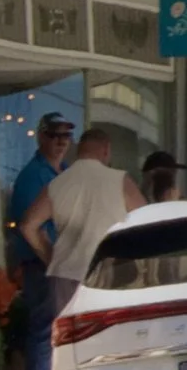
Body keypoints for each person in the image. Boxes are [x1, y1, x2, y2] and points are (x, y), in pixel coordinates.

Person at [21, 125, 146, 353]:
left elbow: (28, 225)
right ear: (106, 150)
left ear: (79, 151)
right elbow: (146, 220)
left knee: (70, 343)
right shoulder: (119, 180)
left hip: (67, 272)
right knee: (114, 340)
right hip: (113, 271)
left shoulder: (58, 183)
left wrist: (51, 257)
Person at [3, 112, 72, 370]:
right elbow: (29, 227)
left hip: (67, 265)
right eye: (55, 135)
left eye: (66, 136)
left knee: (65, 335)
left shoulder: (68, 173)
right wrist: (52, 261)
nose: (61, 141)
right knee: (43, 334)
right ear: (41, 137)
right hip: (41, 266)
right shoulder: (32, 176)